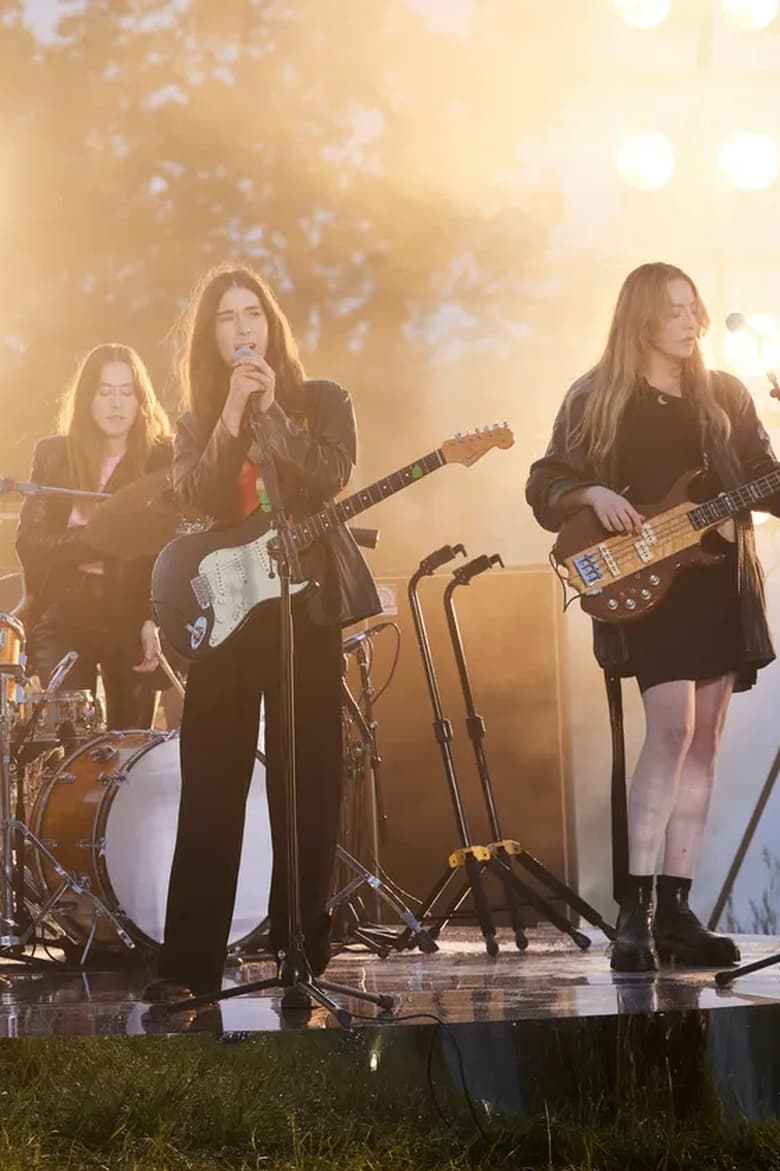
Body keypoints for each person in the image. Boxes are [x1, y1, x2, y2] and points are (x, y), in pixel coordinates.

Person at [526, 262, 780, 972]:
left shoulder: (723, 395)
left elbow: (768, 481)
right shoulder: (597, 396)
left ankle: (676, 908)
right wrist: (592, 493)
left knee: (706, 745)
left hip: (718, 584)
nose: (692, 320)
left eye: (695, 307)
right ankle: (631, 910)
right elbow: (543, 481)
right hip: (649, 583)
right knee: (672, 732)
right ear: (641, 318)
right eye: (675, 309)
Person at [145, 263, 381, 1002]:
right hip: (225, 617)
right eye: (225, 317)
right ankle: (188, 966)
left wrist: (272, 415)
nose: (241, 327)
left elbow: (326, 477)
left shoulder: (323, 400)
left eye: (251, 313)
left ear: (271, 325)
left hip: (303, 613)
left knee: (305, 781)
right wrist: (229, 421)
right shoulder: (192, 423)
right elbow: (201, 499)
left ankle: (300, 954)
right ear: (209, 339)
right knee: (210, 782)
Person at [16, 343, 173, 730]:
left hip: (133, 612)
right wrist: (102, 537)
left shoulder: (163, 458)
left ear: (141, 400)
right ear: (87, 398)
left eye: (126, 392)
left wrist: (153, 618)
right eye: (105, 392)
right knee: (69, 742)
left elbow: (169, 546)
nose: (116, 403)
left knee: (129, 743)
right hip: (66, 610)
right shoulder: (54, 454)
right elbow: (29, 541)